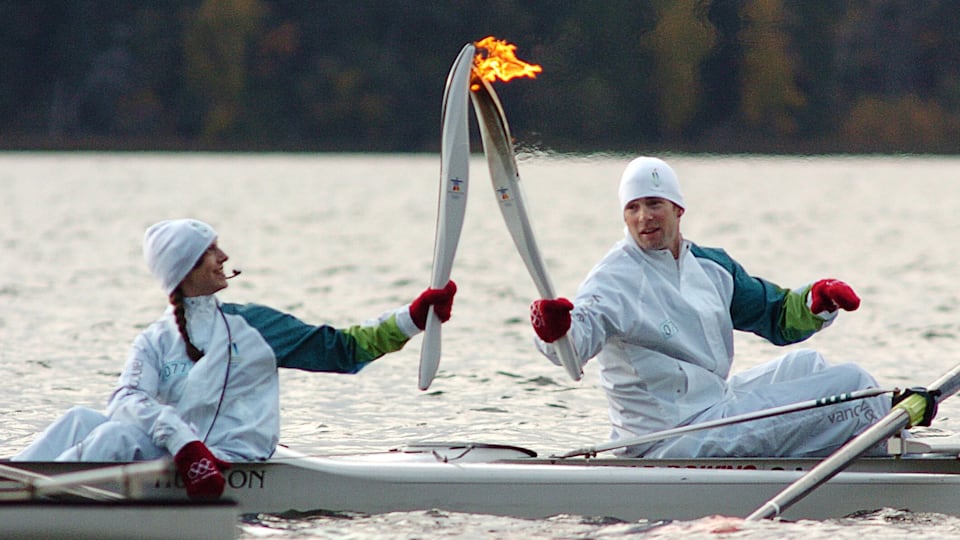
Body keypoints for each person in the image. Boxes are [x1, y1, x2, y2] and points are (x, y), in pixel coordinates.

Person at [13, 218, 457, 500]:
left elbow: (340, 350)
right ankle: (13, 491)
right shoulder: (154, 340)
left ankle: (29, 506)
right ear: (186, 269)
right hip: (186, 458)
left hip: (231, 459)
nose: (224, 256)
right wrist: (185, 444)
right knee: (79, 419)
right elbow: (125, 399)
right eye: (212, 249)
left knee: (113, 438)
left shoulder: (255, 326)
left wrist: (412, 318)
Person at [529, 157, 889, 458]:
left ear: (678, 208)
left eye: (654, 204)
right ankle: (875, 456)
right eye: (632, 208)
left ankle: (853, 448)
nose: (644, 218)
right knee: (854, 385)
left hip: (714, 409)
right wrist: (554, 331)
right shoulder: (612, 279)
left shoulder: (711, 266)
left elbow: (776, 315)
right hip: (665, 440)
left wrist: (815, 301)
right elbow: (572, 348)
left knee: (809, 365)